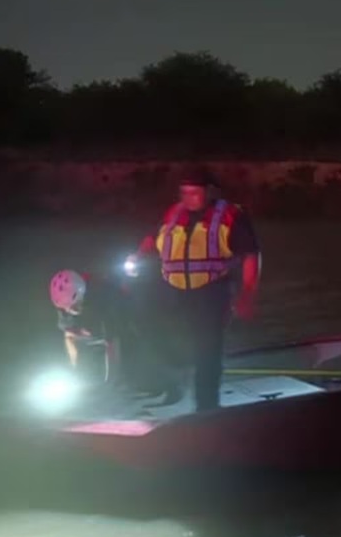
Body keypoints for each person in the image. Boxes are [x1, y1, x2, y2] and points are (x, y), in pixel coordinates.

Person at [135, 167, 261, 411]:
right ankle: (172, 378)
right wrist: (139, 255)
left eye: (194, 193)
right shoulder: (173, 213)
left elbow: (250, 256)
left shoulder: (230, 216)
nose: (188, 198)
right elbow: (152, 237)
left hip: (211, 291)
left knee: (208, 349)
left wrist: (247, 295)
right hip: (171, 289)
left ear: (209, 192)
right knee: (149, 329)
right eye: (184, 192)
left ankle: (206, 407)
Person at [49, 269, 131, 387]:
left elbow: (112, 340)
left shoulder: (103, 297)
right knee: (69, 336)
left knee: (114, 335)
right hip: (90, 309)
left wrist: (110, 381)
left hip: (119, 303)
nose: (69, 310)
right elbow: (68, 332)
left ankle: (118, 380)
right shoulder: (64, 302)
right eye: (66, 308)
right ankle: (75, 373)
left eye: (73, 306)